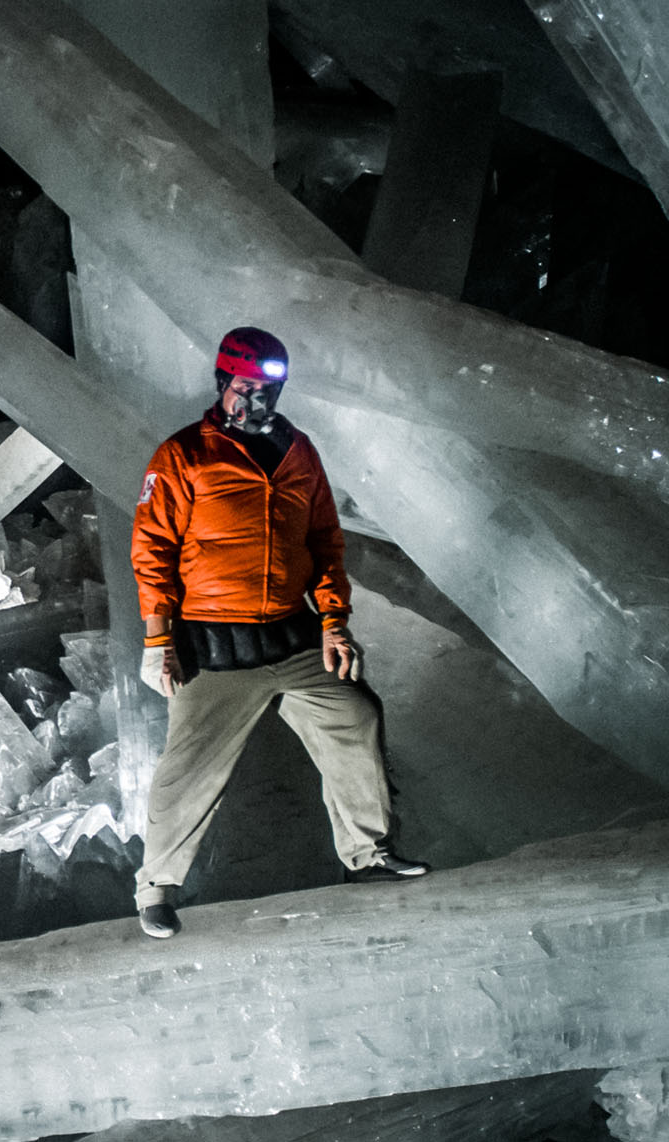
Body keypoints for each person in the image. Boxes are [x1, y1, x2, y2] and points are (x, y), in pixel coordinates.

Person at [128, 327, 428, 940]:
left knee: (354, 714)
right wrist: (159, 639)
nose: (258, 401)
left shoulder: (298, 453)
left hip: (291, 639)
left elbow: (324, 542)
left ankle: (368, 857)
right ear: (222, 386)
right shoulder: (183, 455)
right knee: (189, 768)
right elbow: (152, 549)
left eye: (269, 390)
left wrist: (334, 623)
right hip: (213, 648)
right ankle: (155, 889)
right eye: (246, 389)